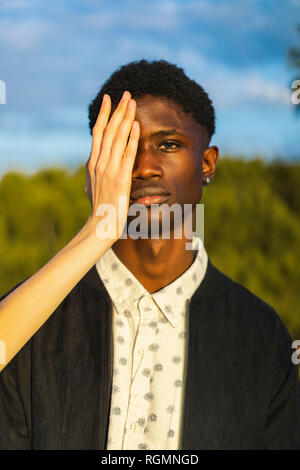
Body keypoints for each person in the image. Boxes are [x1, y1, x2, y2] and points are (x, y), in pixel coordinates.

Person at [0, 59, 299, 450]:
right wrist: (99, 228)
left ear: (207, 163)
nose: (143, 167)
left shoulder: (262, 336)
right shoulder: (28, 321)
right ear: (96, 166)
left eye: (169, 145)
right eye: (124, 148)